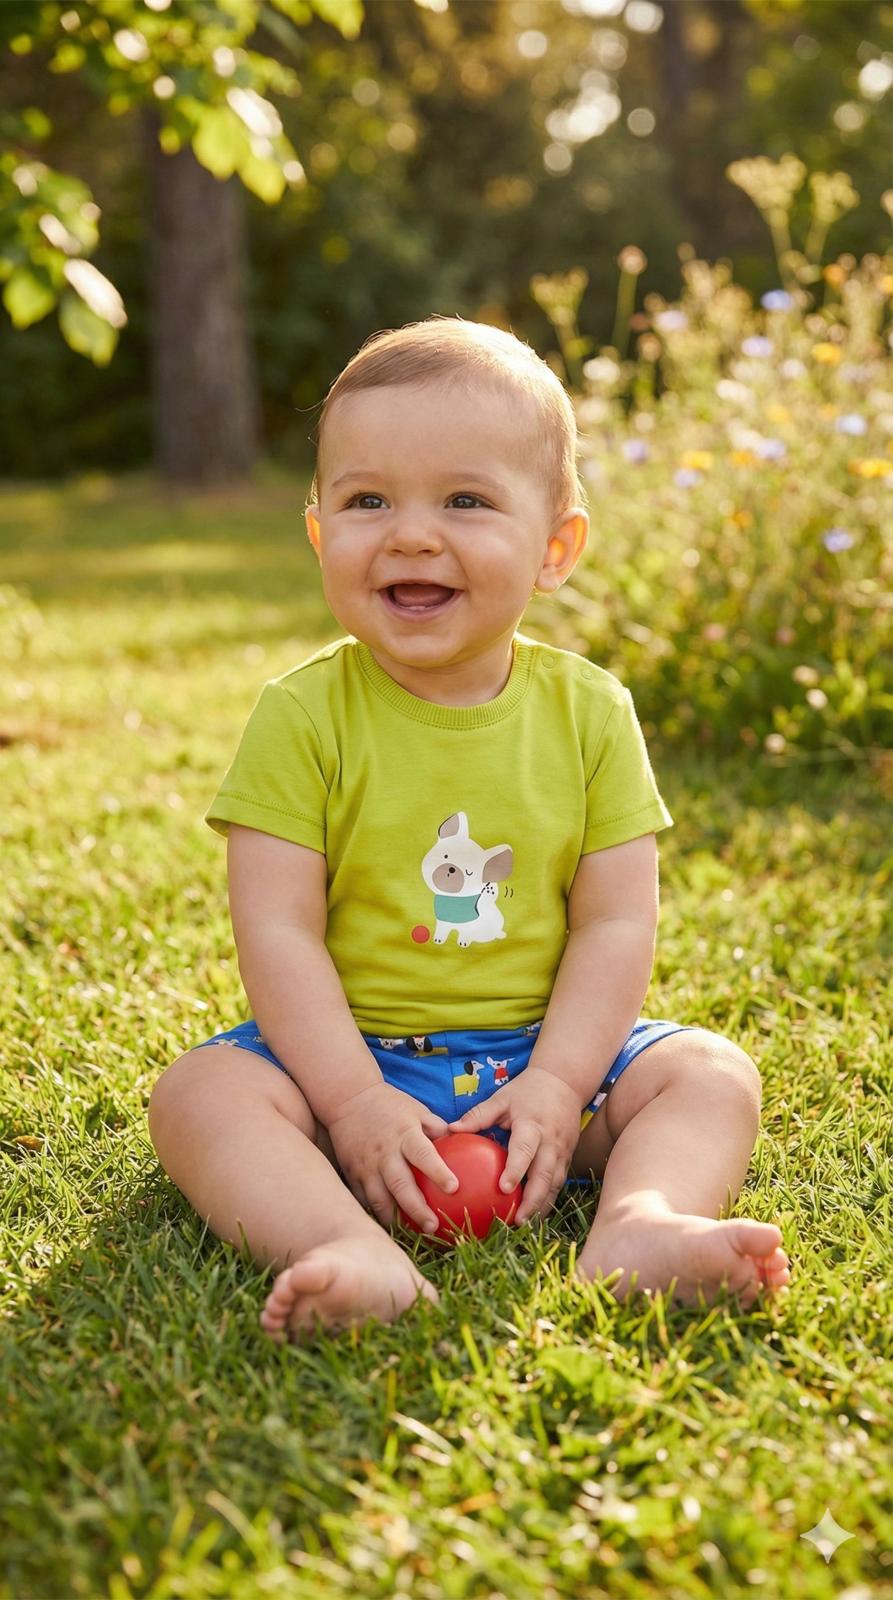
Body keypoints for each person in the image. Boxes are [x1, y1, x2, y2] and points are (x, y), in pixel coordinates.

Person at [148, 317, 790, 1339]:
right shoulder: (301, 715)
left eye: (464, 500)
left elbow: (612, 926)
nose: (409, 533)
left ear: (554, 547)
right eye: (367, 501)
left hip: (547, 1061)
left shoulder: (589, 713)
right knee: (198, 1093)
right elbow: (277, 932)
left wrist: (558, 1082)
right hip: (342, 1060)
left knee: (707, 1074)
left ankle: (635, 1222)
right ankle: (341, 1241)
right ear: (320, 532)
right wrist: (351, 1101)